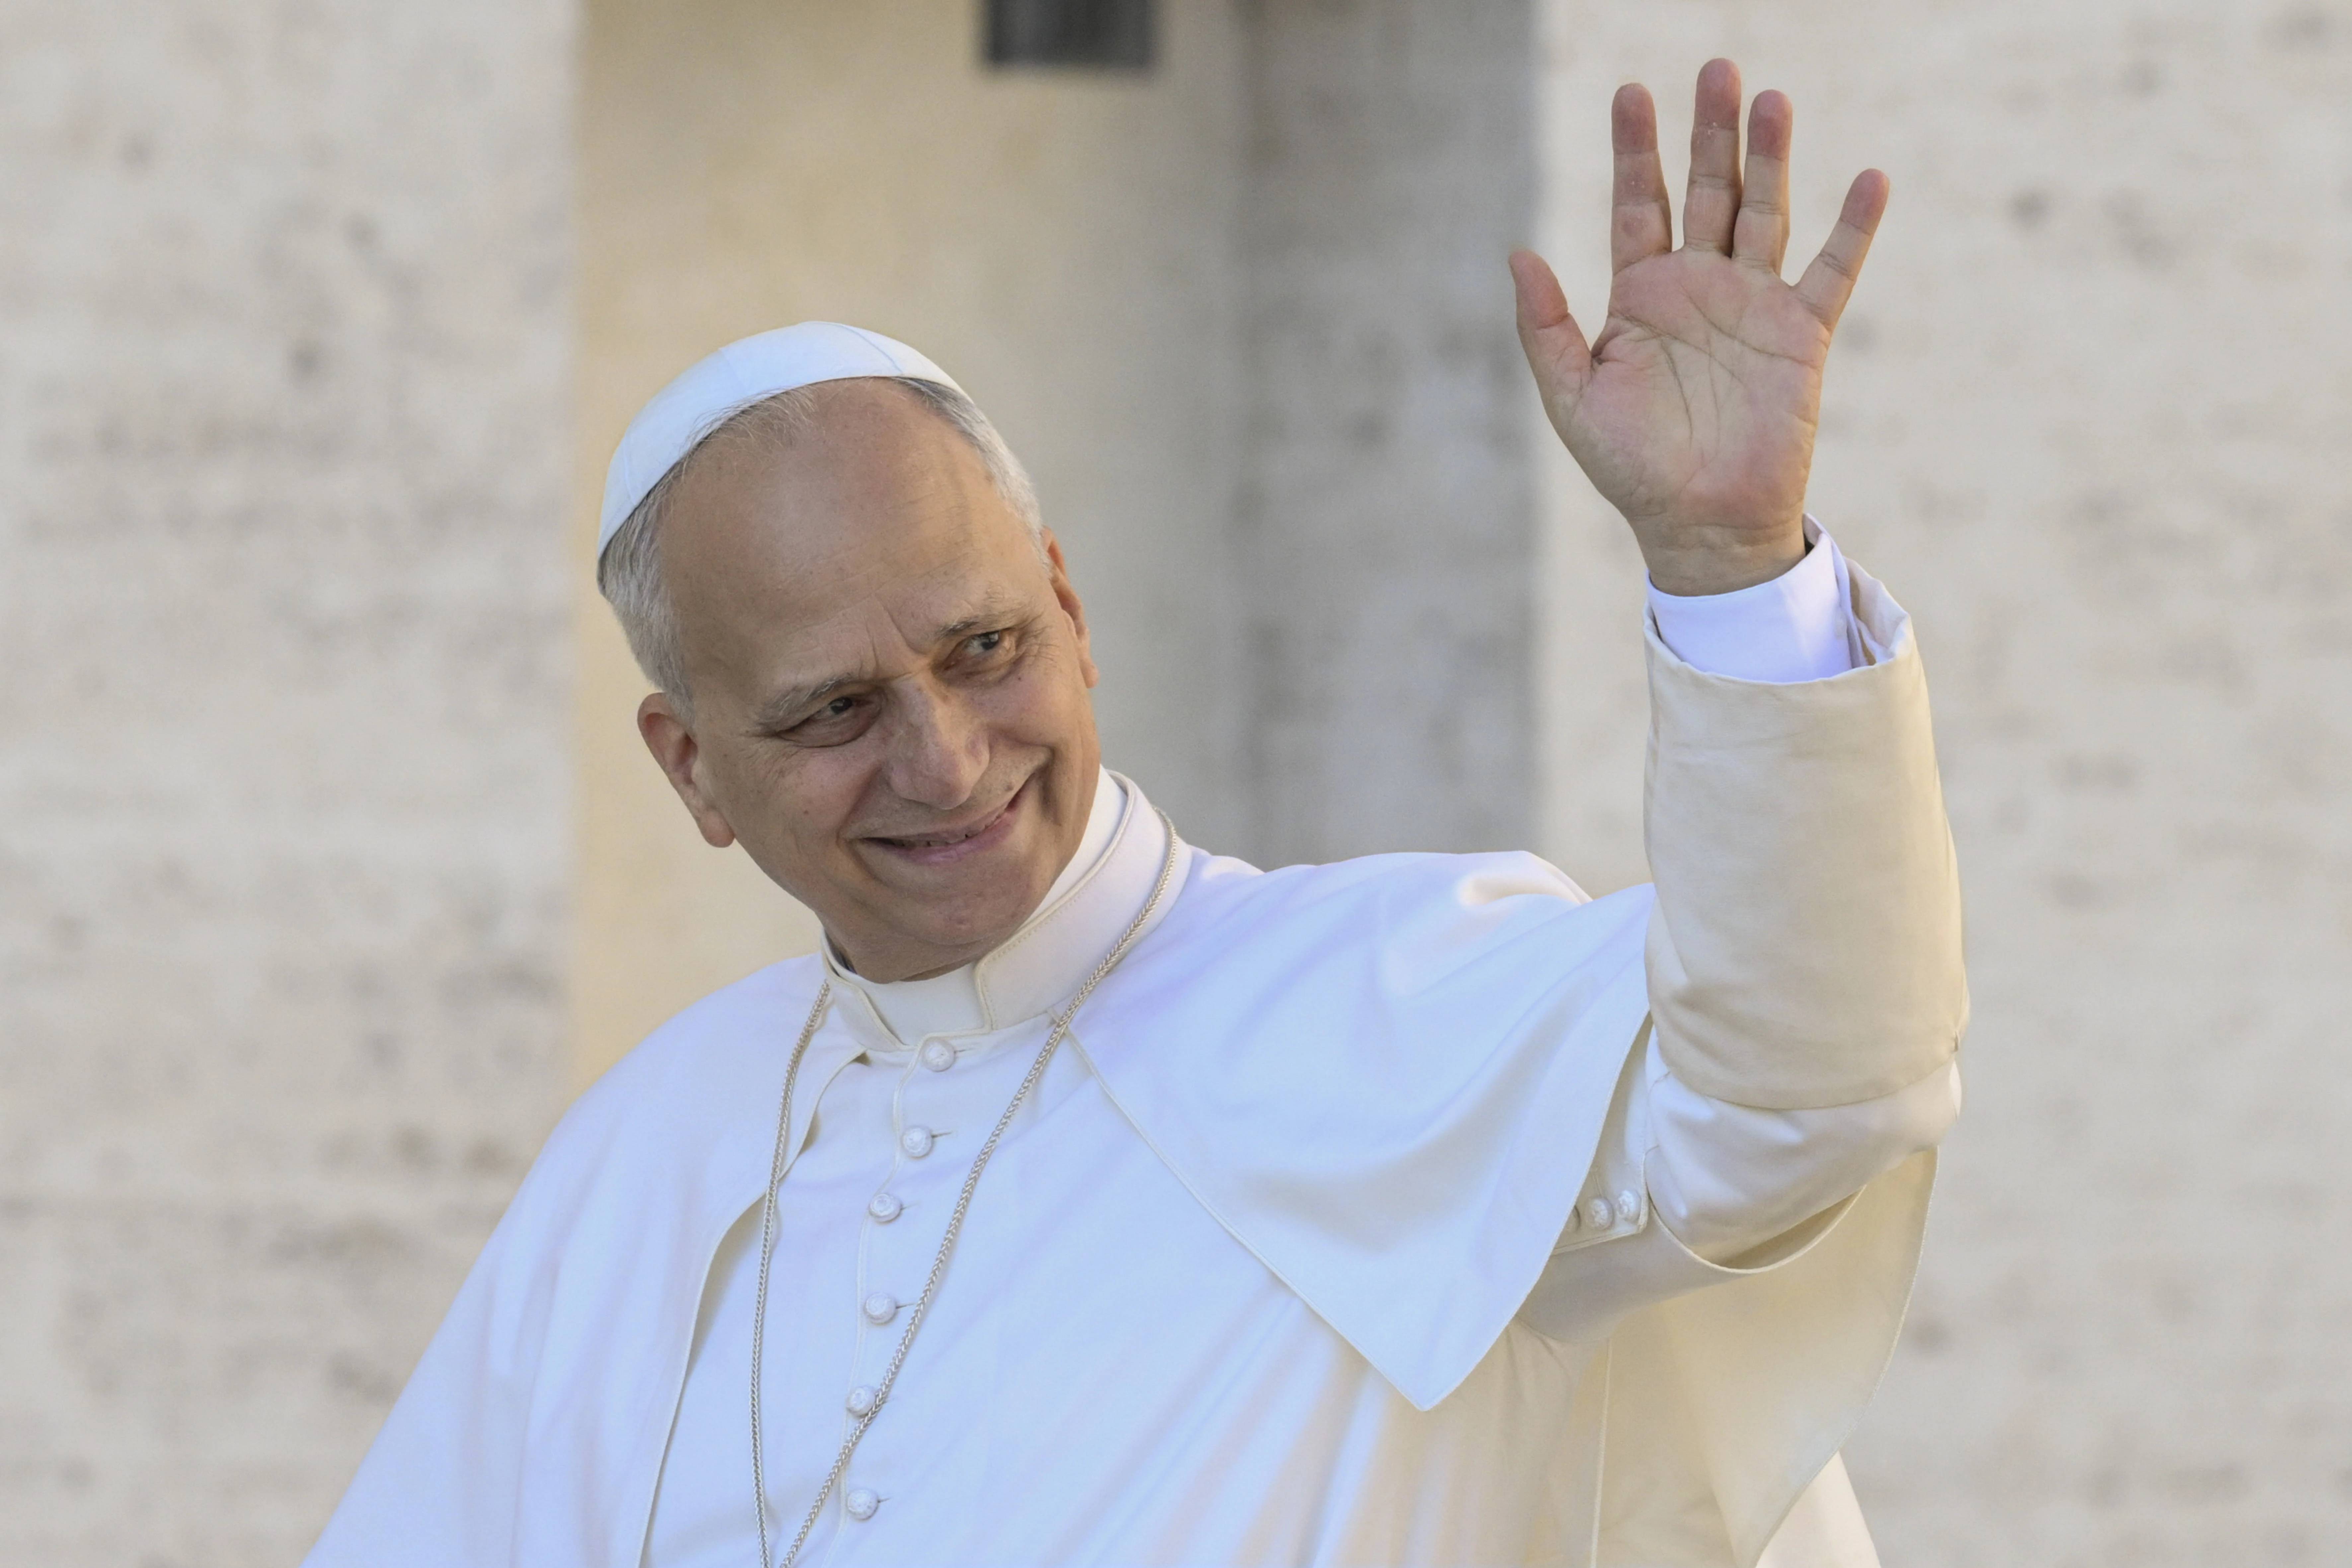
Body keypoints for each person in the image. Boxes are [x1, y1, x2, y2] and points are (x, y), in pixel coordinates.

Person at [307, 59, 1964, 1568]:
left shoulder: (1399, 998)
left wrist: (1729, 569)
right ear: (691, 771)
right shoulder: (636, 1161)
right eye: (835, 713)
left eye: (984, 651)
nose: (945, 760)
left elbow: (1808, 1094)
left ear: (1070, 611)